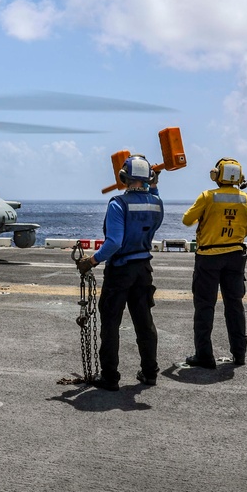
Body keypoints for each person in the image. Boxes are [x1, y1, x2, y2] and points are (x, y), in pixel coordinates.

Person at [76, 155, 164, 391]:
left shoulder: (118, 204)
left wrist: (92, 260)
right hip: (144, 269)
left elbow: (114, 242)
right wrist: (154, 183)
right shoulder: (156, 203)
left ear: (123, 177)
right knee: (145, 323)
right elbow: (153, 195)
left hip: (121, 270)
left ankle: (110, 377)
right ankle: (150, 372)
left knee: (111, 324)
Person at [181, 158, 247, 369]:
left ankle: (204, 355)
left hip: (208, 257)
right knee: (235, 306)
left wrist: (203, 218)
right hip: (235, 256)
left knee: (205, 306)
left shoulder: (207, 197)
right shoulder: (245, 199)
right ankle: (239, 354)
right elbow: (246, 230)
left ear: (216, 175)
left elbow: (187, 220)